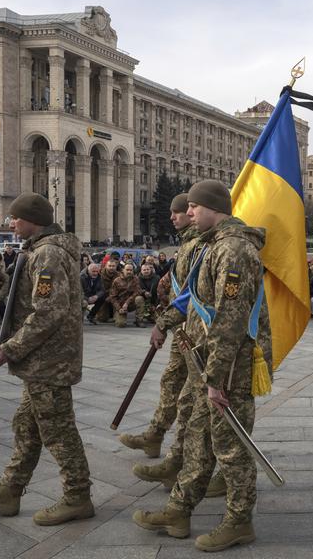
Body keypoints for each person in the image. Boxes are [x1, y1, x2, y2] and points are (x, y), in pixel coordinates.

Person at [133, 180, 272, 552]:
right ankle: (179, 509)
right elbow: (194, 301)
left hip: (228, 371)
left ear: (214, 207)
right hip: (204, 364)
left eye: (194, 206)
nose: (188, 212)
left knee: (231, 449)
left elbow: (230, 319)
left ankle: (240, 521)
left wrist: (216, 379)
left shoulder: (235, 250)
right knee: (197, 439)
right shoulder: (212, 246)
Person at [0, 192, 93, 525]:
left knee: (59, 430)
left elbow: (49, 311)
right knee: (27, 425)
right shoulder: (39, 250)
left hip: (50, 360)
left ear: (33, 219)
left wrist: (12, 347)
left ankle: (78, 497)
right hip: (43, 360)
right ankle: (10, 490)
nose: (11, 223)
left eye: (15, 218)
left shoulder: (47, 253)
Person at [123, 193, 204, 465]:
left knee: (191, 397)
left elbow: (192, 292)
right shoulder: (187, 244)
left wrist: (164, 322)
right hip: (182, 328)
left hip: (193, 329)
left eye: (178, 212)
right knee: (171, 381)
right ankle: (155, 435)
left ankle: (180, 455)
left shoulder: (196, 245)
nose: (173, 217)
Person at [110, 263, 144, 327]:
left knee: (139, 298)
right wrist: (119, 308)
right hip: (120, 305)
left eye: (131, 270)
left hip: (131, 303)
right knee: (121, 324)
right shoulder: (117, 280)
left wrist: (127, 302)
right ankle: (117, 315)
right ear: (123, 270)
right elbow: (113, 297)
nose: (129, 271)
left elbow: (137, 292)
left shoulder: (136, 279)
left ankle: (139, 320)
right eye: (127, 270)